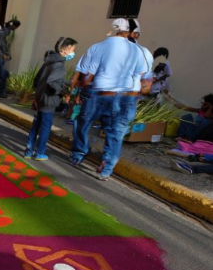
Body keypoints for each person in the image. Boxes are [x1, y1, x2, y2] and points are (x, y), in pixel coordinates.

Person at [69, 18, 152, 180]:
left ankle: (79, 154)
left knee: (83, 122)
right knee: (116, 132)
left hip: (100, 93)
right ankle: (106, 167)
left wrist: (78, 91)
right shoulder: (142, 52)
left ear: (113, 30)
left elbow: (87, 76)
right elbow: (145, 82)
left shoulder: (98, 47)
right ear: (133, 33)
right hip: (126, 97)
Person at [25, 37, 78, 160]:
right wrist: (64, 92)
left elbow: (38, 79)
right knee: (45, 127)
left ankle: (28, 150)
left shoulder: (49, 61)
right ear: (65, 50)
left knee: (36, 124)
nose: (73, 53)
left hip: (41, 97)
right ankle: (40, 152)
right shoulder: (60, 65)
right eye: (73, 50)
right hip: (49, 100)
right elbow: (52, 81)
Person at [0, 19, 21, 98]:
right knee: (1, 74)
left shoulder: (4, 30)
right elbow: (2, 44)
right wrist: (5, 54)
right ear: (14, 26)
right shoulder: (6, 32)